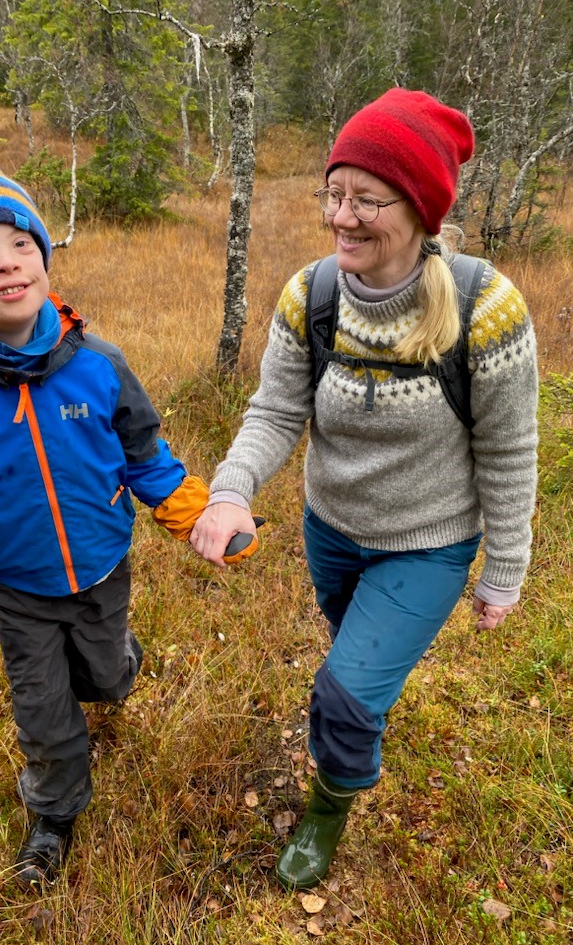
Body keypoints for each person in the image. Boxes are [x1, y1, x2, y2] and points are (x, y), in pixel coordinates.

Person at [189, 89, 538, 890]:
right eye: (333, 194)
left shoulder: (486, 309)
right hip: (330, 529)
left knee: (343, 697)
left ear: (418, 210)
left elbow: (512, 451)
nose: (341, 217)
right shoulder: (310, 295)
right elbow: (276, 409)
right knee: (359, 664)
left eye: (365, 200)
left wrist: (505, 571)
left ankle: (327, 812)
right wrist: (230, 490)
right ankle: (362, 716)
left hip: (429, 542)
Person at [0, 164, 211, 888]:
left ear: (44, 260)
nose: (5, 263)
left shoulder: (100, 366)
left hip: (103, 566)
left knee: (105, 682)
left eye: (19, 243)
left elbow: (146, 455)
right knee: (46, 709)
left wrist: (192, 511)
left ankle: (119, 659)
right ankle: (53, 816)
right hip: (16, 585)